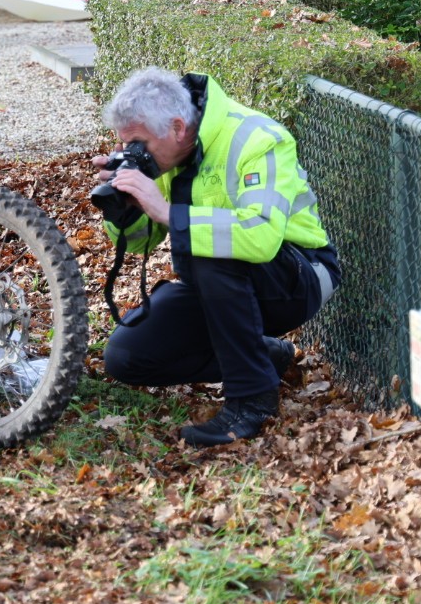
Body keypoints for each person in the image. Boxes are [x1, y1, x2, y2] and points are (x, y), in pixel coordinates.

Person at [93, 67, 341, 447]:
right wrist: (124, 207)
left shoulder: (258, 138)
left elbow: (259, 237)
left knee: (212, 248)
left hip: (300, 275)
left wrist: (166, 211)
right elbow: (143, 243)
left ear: (177, 127)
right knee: (126, 356)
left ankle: (251, 403)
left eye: (139, 144)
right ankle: (265, 357)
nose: (134, 153)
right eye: (127, 146)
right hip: (217, 287)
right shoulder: (167, 152)